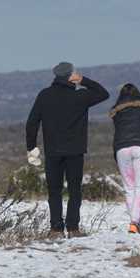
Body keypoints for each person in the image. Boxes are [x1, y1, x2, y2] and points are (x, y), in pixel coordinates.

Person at [25, 61, 110, 239]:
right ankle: (73, 228)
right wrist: (83, 80)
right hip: (75, 151)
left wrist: (31, 148)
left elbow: (32, 123)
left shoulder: (45, 95)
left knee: (54, 191)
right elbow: (103, 93)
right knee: (74, 190)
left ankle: (56, 229)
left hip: (52, 151)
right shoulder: (81, 96)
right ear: (71, 76)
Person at [109, 83, 140, 233]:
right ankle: (135, 222)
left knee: (129, 188)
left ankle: (135, 223)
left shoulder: (116, 111)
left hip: (121, 149)